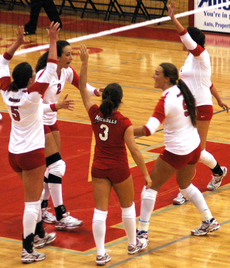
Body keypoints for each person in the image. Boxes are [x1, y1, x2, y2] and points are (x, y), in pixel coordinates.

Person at [79, 44, 152, 266]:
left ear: (104, 98)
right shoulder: (124, 123)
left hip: (99, 168)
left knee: (99, 212)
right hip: (119, 169)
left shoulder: (94, 114)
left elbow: (82, 88)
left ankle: (100, 253)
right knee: (127, 206)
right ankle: (132, 244)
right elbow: (136, 151)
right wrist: (147, 175)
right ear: (120, 100)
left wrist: (85, 63)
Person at [134, 62, 220, 241]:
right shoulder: (182, 90)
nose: (153, 76)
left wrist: (125, 131)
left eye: (157, 73)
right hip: (194, 147)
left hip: (178, 151)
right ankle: (209, 220)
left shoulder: (166, 100)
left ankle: (142, 234)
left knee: (149, 189)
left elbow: (149, 130)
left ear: (166, 78)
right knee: (185, 185)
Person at [0, 22, 60, 263]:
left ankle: (38, 236)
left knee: (32, 199)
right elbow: (53, 67)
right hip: (31, 155)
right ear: (29, 80)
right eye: (34, 75)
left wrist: (17, 44)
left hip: (14, 153)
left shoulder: (6, 91)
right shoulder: (33, 96)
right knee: (32, 204)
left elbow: (2, 61)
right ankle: (27, 250)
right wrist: (53, 39)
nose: (37, 76)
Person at [35, 40, 104, 230]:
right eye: (67, 54)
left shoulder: (65, 71)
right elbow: (34, 106)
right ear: (56, 57)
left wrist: (95, 91)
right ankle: (61, 215)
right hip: (38, 121)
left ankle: (42, 209)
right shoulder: (44, 76)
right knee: (57, 165)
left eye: (71, 54)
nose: (70, 57)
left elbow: (81, 83)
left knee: (52, 167)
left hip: (51, 120)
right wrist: (55, 106)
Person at [168, 2, 229, 206]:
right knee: (193, 150)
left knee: (195, 151)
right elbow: (207, 82)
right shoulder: (189, 60)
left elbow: (185, 36)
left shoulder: (202, 55)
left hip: (202, 109)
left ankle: (185, 191)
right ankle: (218, 171)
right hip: (190, 109)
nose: (181, 40)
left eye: (185, 39)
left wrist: (173, 19)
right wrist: (220, 99)